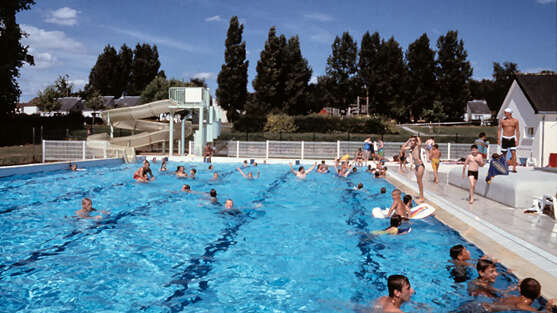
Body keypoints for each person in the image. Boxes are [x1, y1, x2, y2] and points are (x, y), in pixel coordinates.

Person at [483, 278, 556, 312]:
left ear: (520, 290)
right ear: (538, 294)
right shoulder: (527, 308)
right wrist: (549, 308)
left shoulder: (511, 297)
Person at [402, 136, 425, 203]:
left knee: (420, 181)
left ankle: (422, 197)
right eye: (411, 141)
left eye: (413, 141)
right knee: (418, 181)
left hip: (420, 165)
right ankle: (421, 196)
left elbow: (420, 143)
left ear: (416, 141)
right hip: (416, 166)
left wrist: (417, 138)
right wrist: (408, 140)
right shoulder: (411, 148)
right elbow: (403, 148)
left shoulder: (417, 147)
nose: (412, 142)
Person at [498, 108, 520, 173]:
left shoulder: (515, 121)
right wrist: (499, 139)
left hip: (512, 138)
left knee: (513, 153)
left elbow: (517, 131)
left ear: (509, 113)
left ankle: (514, 168)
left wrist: (518, 140)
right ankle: (504, 167)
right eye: (504, 113)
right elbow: (499, 130)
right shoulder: (502, 121)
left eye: (505, 113)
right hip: (504, 138)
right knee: (504, 153)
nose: (504, 114)